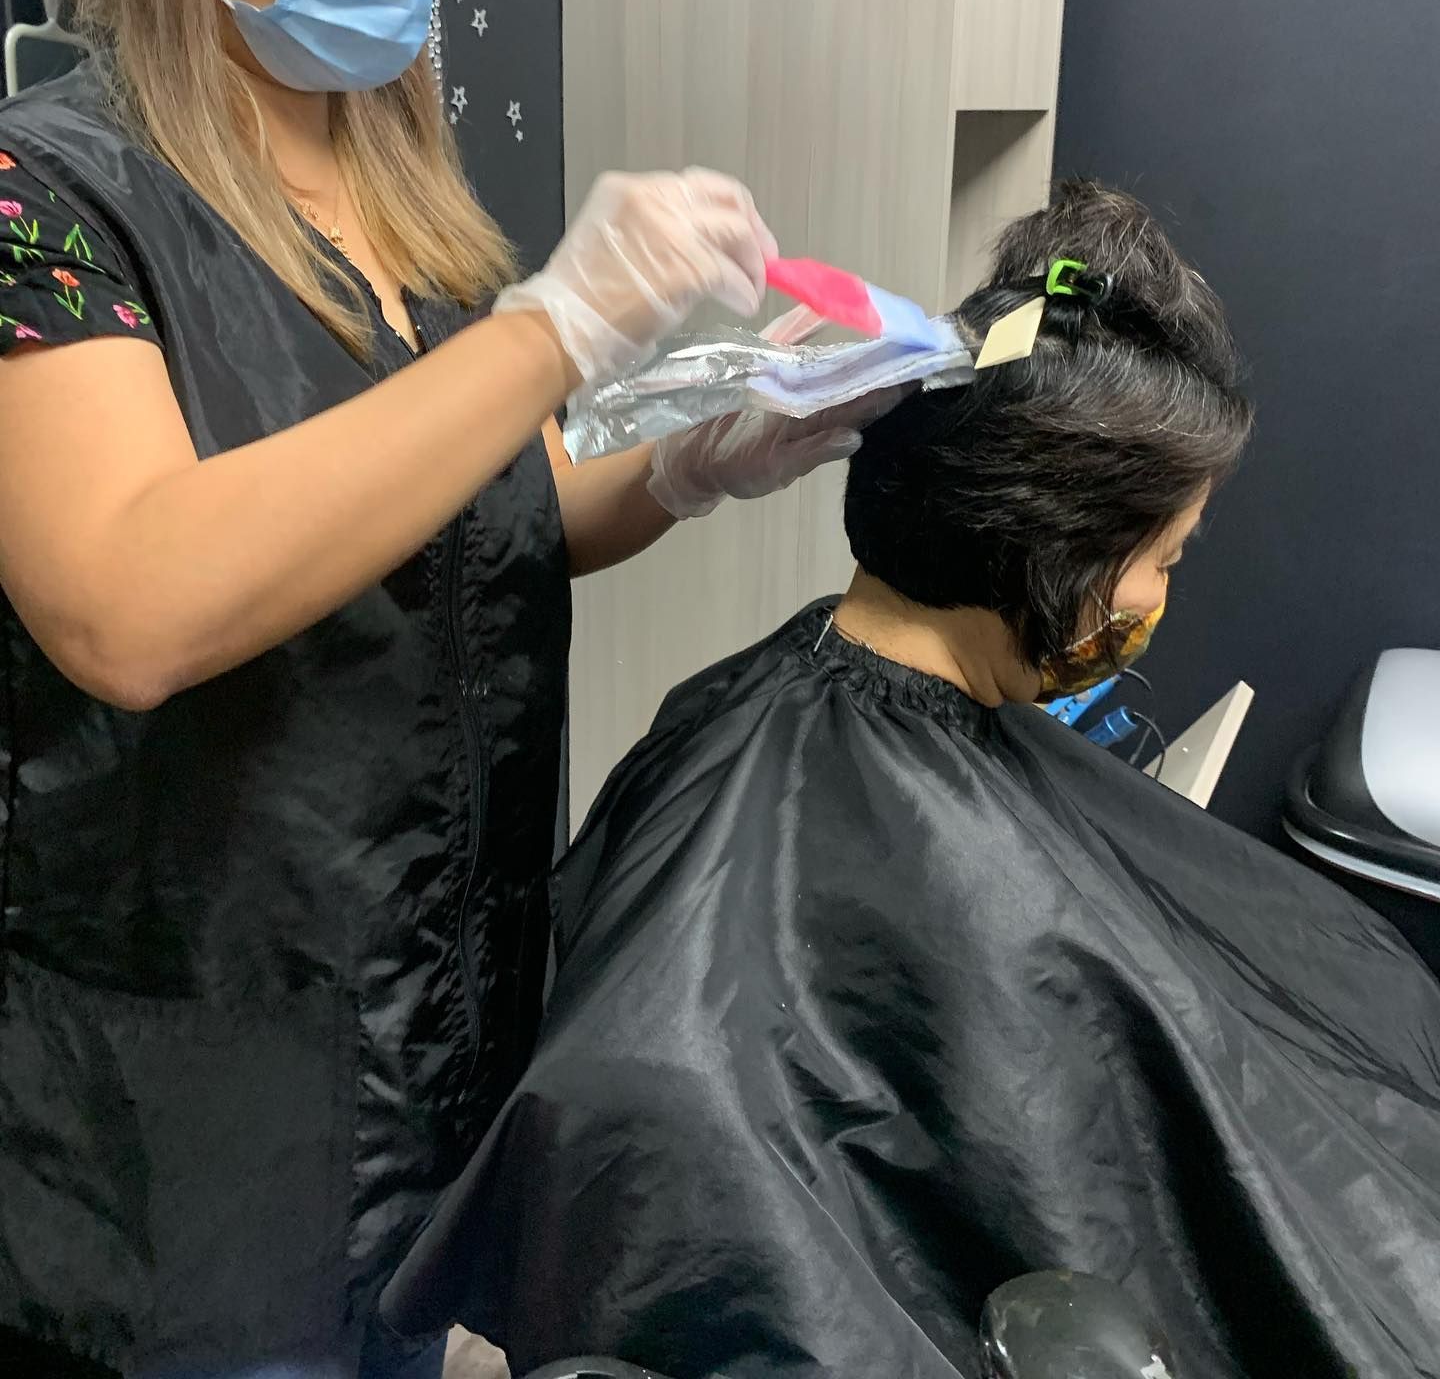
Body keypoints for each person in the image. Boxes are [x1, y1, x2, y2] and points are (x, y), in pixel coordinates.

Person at [0, 0, 862, 1379]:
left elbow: (487, 509)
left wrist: (692, 457)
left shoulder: (391, 200)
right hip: (194, 1113)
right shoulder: (44, 200)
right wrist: (555, 326)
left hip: (435, 1027)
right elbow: (128, 604)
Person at [383, 183, 1440, 1379]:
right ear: (1064, 563)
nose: (1159, 600)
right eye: (1163, 559)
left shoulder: (750, 715)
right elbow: (675, 1144)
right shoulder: (811, 822)